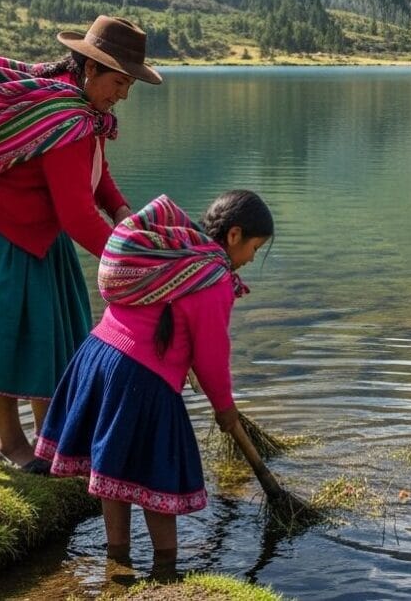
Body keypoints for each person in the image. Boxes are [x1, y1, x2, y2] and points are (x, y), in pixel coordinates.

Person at [0, 16, 161, 473]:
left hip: (34, 232)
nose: (123, 94)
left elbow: (94, 172)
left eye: (129, 86)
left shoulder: (82, 111)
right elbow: (78, 214)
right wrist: (133, 266)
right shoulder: (65, 116)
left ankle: (51, 444)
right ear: (89, 70)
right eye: (119, 83)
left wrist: (122, 212)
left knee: (52, 341)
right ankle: (9, 444)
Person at [35, 190, 273, 567]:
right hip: (140, 376)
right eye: (254, 248)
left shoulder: (177, 253)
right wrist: (225, 409)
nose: (251, 258)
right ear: (234, 236)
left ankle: (117, 560)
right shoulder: (212, 278)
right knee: (156, 475)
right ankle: (166, 568)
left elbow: (170, 316)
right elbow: (212, 357)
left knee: (111, 464)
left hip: (99, 356)